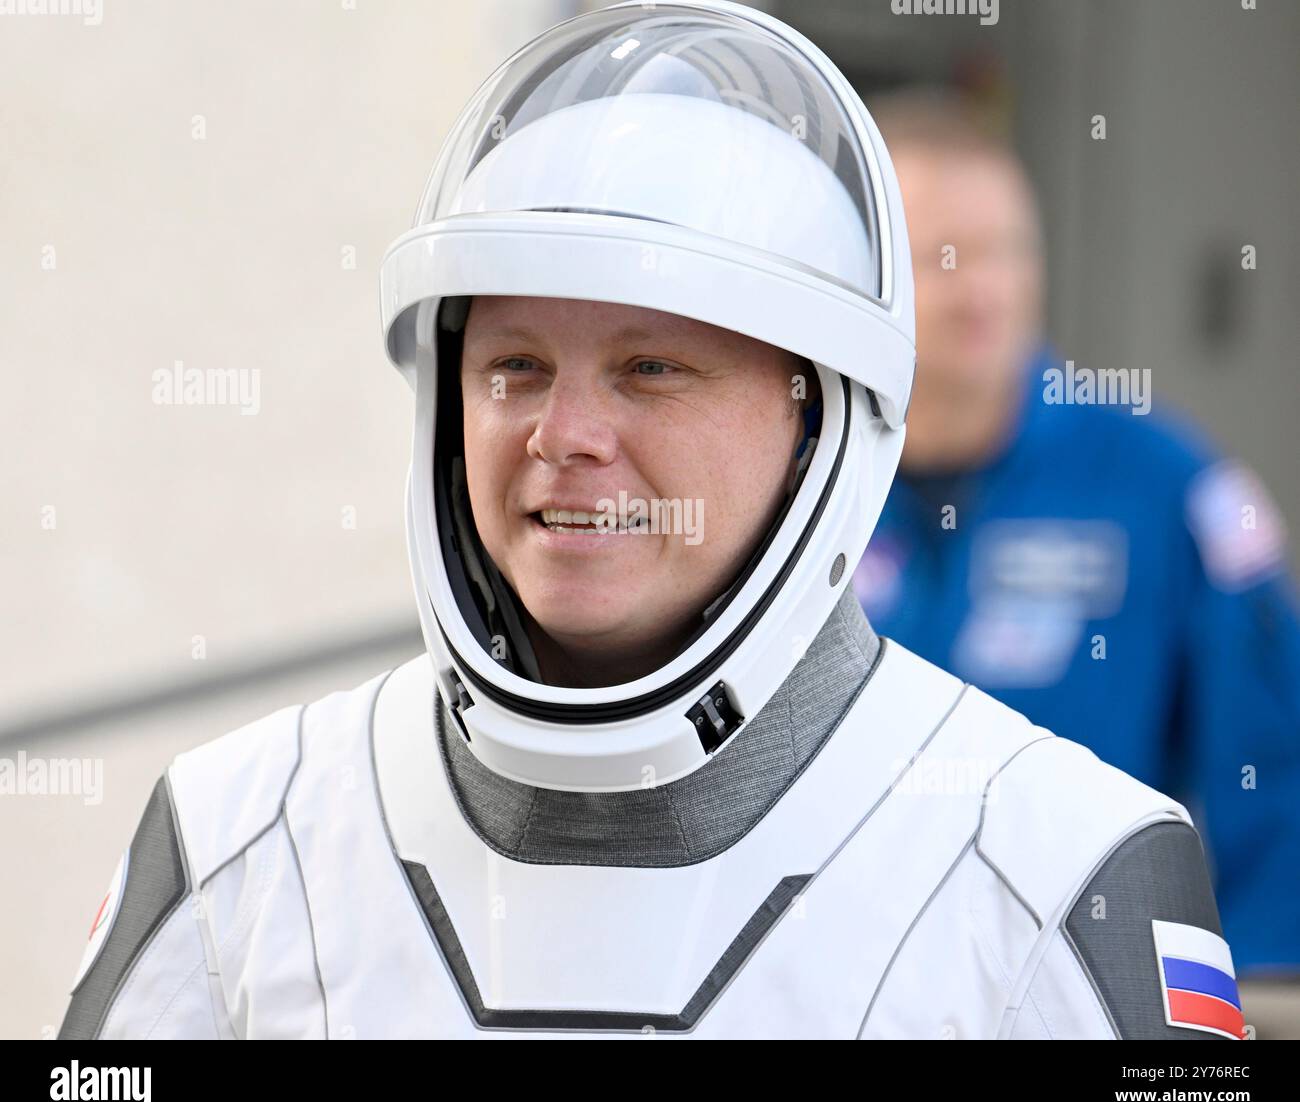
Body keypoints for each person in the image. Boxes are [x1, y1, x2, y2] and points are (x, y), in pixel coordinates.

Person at [57, 0, 1246, 1040]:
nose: (562, 433)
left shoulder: (1064, 871)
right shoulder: (234, 842)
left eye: (650, 368)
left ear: (819, 421)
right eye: (514, 366)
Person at [854, 90, 1300, 997]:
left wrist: (1255, 997)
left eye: (1007, 252)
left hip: (1085, 994)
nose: (984, 290)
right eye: (943, 257)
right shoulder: (794, 486)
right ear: (864, 278)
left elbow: (1277, 780)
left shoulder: (1167, 486)